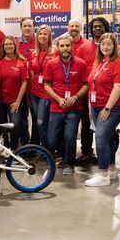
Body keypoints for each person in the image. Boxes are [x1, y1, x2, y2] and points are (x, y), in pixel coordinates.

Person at [85, 33, 120, 187]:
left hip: (113, 107)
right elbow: (92, 85)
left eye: (109, 44)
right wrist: (91, 108)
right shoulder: (99, 61)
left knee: (101, 137)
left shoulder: (119, 62)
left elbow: (118, 88)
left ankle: (103, 175)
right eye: (103, 44)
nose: (105, 47)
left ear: (114, 46)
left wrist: (107, 108)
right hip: (96, 106)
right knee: (108, 137)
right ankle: (111, 169)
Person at [44, 35, 89, 175]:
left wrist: (76, 96)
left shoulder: (81, 63)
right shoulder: (51, 63)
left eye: (67, 46)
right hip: (56, 107)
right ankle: (63, 157)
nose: (65, 48)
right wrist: (58, 99)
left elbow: (86, 84)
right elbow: (46, 85)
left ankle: (69, 163)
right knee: (52, 139)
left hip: (74, 108)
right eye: (62, 46)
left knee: (70, 136)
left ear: (72, 47)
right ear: (58, 47)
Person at [75, 17, 111, 166]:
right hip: (87, 91)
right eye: (95, 26)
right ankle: (86, 152)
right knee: (86, 123)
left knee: (106, 124)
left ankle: (107, 153)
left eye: (100, 26)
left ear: (105, 28)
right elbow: (78, 69)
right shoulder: (83, 48)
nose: (97, 29)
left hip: (106, 92)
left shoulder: (111, 46)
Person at [0, 36, 29, 150]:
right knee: (2, 128)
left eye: (11, 44)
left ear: (15, 46)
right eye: (6, 44)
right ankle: (5, 150)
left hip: (15, 101)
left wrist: (18, 101)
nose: (8, 46)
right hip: (0, 102)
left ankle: (14, 150)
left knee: (16, 126)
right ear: (3, 47)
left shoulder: (21, 63)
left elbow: (24, 83)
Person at [29, 25, 57, 147]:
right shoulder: (34, 52)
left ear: (50, 36)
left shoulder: (55, 51)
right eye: (40, 34)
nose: (42, 36)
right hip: (34, 92)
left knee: (41, 123)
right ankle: (45, 149)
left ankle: (48, 151)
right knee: (38, 122)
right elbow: (31, 74)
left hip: (46, 92)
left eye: (45, 34)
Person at [16, 17, 36, 145]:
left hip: (36, 88)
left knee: (37, 119)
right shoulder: (15, 43)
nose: (27, 28)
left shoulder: (40, 42)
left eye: (30, 25)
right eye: (25, 26)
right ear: (21, 28)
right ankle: (25, 145)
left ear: (34, 27)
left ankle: (36, 145)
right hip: (21, 87)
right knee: (22, 119)